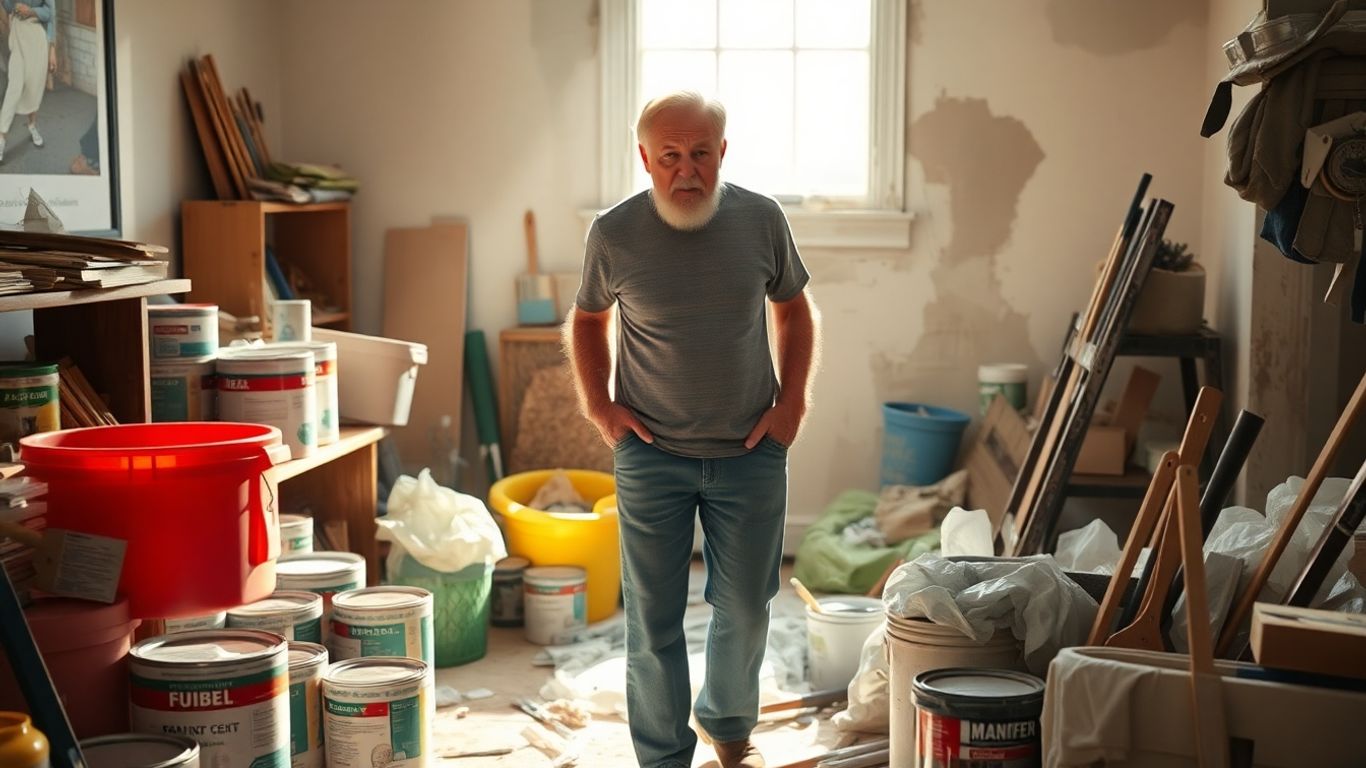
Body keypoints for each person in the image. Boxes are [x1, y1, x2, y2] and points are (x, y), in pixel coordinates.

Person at [566, 90, 819, 768]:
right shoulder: (613, 233)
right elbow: (587, 320)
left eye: (701, 153)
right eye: (671, 156)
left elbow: (794, 310)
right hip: (651, 454)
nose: (688, 171)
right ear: (645, 158)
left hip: (751, 451)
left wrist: (791, 405)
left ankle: (729, 726)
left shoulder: (760, 219)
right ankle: (662, 755)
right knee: (651, 621)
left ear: (722, 153)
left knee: (746, 607)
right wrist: (601, 408)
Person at [0, 0, 55, 163]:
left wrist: (31, 11)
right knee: (14, 87)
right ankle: (1, 137)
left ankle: (32, 126)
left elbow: (50, 14)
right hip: (17, 35)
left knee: (34, 86)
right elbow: (9, 7)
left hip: (37, 37)